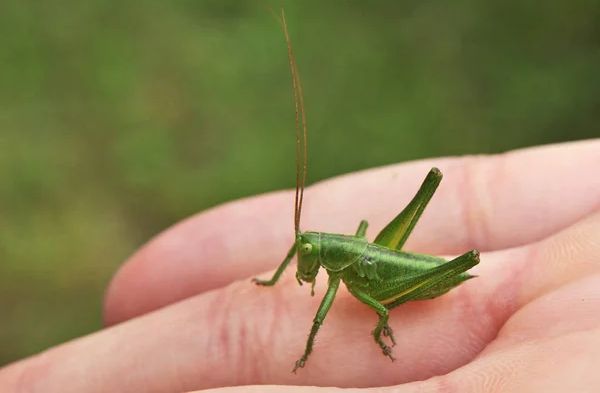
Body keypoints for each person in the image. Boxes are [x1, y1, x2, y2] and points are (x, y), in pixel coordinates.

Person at [1, 139, 599, 393]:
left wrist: (371, 323)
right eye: (305, 254)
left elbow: (334, 298)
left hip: (416, 278)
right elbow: (303, 248)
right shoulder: (317, 249)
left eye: (308, 254)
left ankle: (427, 283)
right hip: (366, 259)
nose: (304, 259)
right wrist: (275, 276)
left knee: (375, 290)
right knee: (361, 254)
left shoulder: (347, 272)